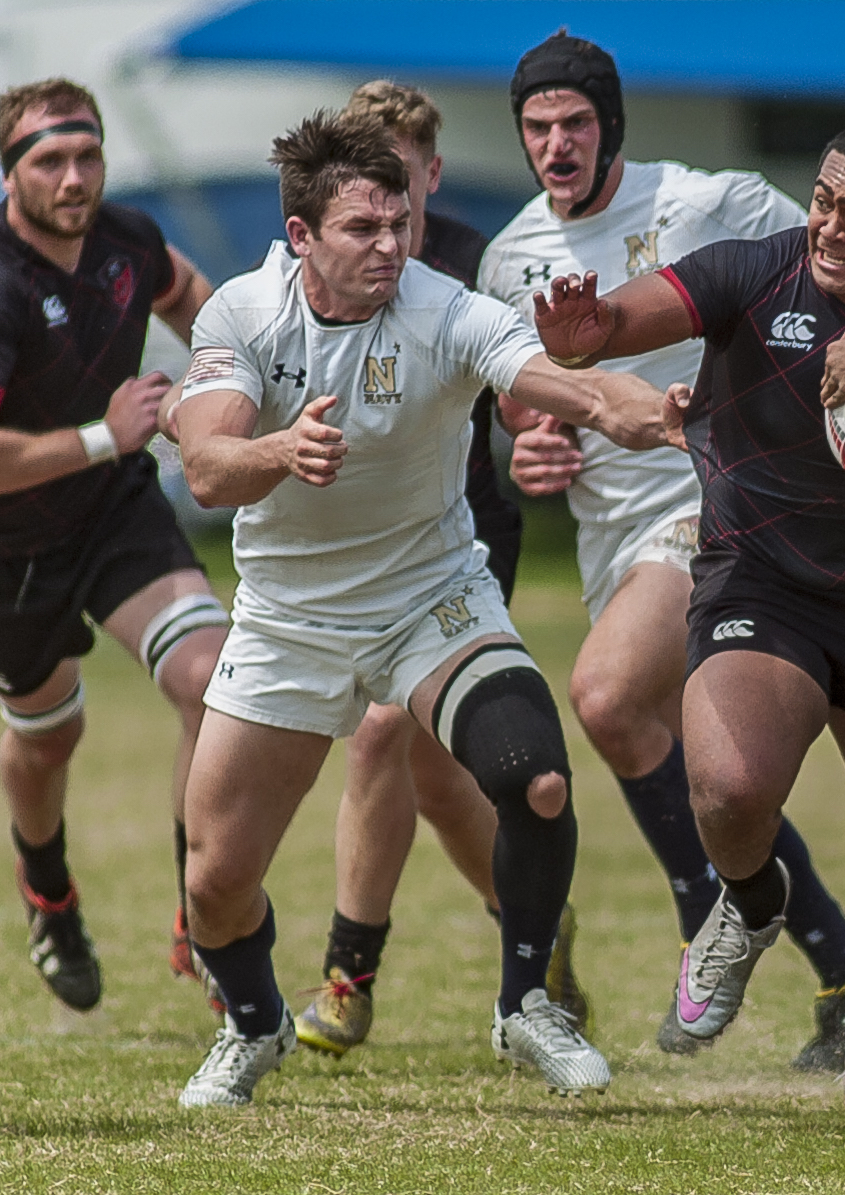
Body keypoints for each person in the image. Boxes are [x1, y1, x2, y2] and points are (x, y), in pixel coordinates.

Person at [534, 116, 845, 1126]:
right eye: (822, 200)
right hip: (757, 577)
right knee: (728, 788)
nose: (830, 227)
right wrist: (582, 332)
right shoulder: (751, 272)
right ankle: (753, 897)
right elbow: (625, 320)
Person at [164, 111, 676, 1106]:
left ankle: (525, 1004)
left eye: (400, 224)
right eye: (364, 229)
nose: (391, 247)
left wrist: (632, 406)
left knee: (533, 779)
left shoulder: (443, 306)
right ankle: (256, 1023)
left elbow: (549, 380)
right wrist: (280, 452)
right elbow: (208, 463)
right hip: (286, 620)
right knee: (215, 878)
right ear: (302, 235)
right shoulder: (243, 314)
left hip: (430, 598)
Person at [480, 31, 845, 1069]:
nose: (556, 144)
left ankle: (712, 924)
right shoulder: (509, 254)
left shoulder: (710, 203)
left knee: (605, 697)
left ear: (611, 124)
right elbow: (524, 411)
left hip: (720, 502)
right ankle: (844, 975)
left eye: (573, 123)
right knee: (713, 775)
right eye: (537, 127)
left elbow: (840, 279)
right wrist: (535, 448)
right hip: (615, 543)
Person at [291, 80, 587, 1059]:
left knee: (384, 739)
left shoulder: (473, 264)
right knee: (421, 761)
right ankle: (531, 913)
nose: (384, 211)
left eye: (403, 178)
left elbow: (518, 386)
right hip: (339, 550)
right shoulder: (304, 264)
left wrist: (538, 432)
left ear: (432, 171)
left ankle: (348, 975)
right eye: (363, 185)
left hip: (452, 542)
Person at [0, 78, 222, 1014]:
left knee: (214, 684)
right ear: (11, 173)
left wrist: (216, 390)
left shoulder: (128, 239)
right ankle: (48, 889)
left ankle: (206, 911)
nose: (74, 175)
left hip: (112, 510)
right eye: (49, 159)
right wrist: (107, 434)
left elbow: (200, 306)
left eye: (87, 154)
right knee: (52, 737)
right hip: (1, 546)